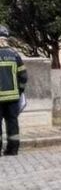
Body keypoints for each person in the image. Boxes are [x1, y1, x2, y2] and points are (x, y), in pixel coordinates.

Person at [0, 25, 27, 156]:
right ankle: (13, 149)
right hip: (13, 97)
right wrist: (19, 91)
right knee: (12, 123)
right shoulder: (14, 54)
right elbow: (23, 76)